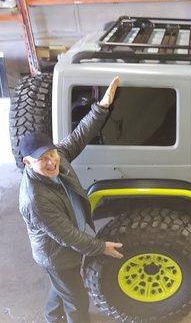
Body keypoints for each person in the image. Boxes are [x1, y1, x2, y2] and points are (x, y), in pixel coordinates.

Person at [19, 76, 124, 323]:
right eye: (41, 159)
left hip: (66, 250)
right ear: (27, 162)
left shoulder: (59, 156)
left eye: (51, 153)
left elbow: (80, 134)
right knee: (76, 299)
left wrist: (102, 106)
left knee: (63, 285)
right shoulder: (35, 198)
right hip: (57, 254)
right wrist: (101, 248)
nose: (51, 161)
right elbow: (67, 236)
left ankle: (51, 317)